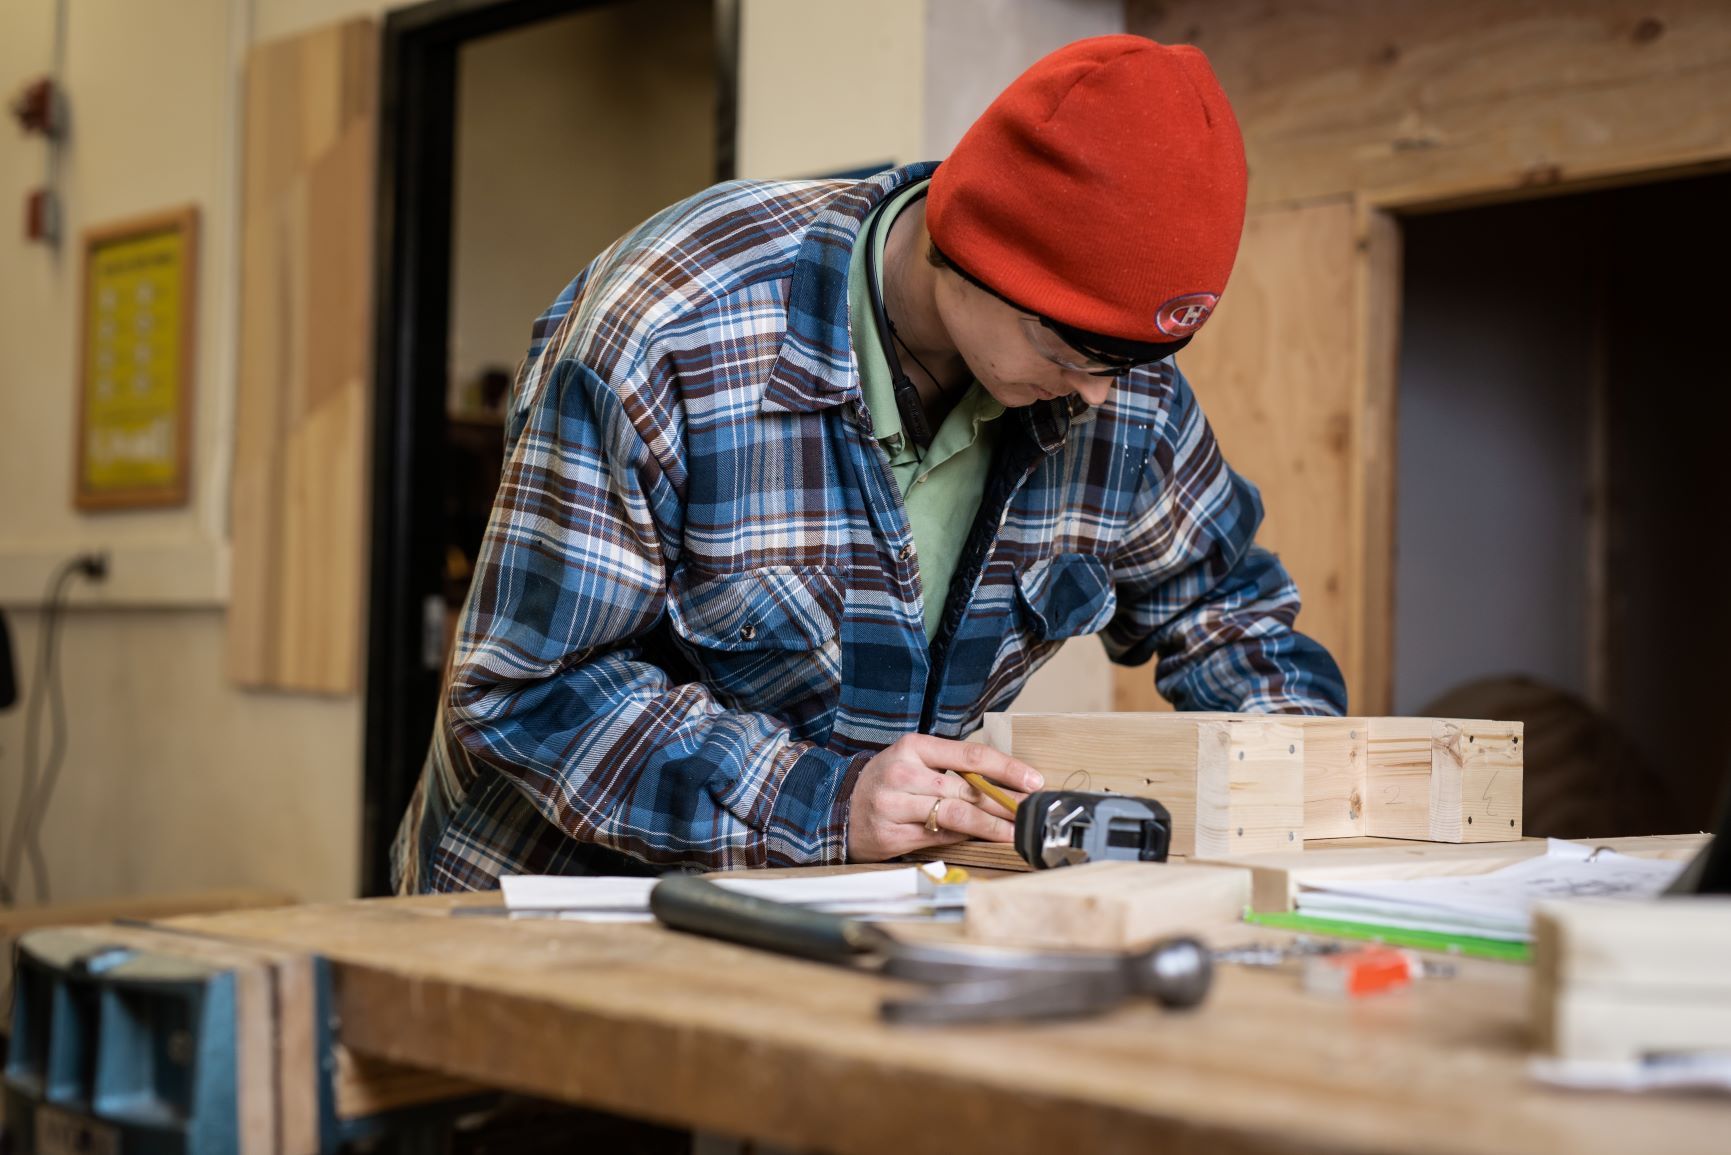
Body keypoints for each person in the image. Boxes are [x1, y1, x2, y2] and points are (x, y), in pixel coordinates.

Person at [393, 35, 1346, 894]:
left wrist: (1293, 793)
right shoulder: (671, 326)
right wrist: (824, 802)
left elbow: (1224, 612)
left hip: (850, 920)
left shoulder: (1115, 383)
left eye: (1129, 365)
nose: (1098, 397)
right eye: (1070, 356)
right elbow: (530, 690)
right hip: (558, 919)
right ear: (964, 249)